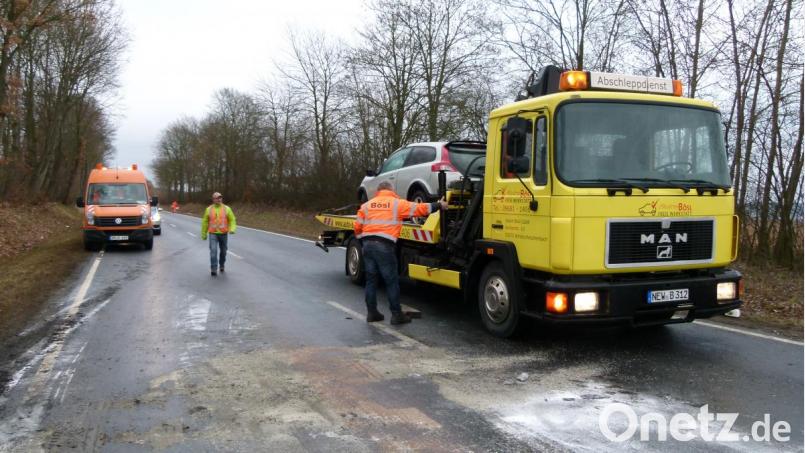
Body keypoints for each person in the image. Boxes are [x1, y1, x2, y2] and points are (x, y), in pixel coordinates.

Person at [354, 181, 447, 325]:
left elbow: (357, 227)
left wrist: (362, 241)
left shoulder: (366, 205)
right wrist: (439, 205)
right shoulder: (396, 203)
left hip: (367, 244)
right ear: (390, 189)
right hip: (384, 245)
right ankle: (396, 314)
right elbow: (420, 209)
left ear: (378, 191)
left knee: (371, 280)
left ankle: (372, 313)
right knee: (391, 281)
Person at [201, 192, 237, 276]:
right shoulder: (209, 209)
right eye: (217, 198)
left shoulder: (227, 209)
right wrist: (204, 234)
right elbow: (205, 222)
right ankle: (213, 268)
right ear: (213, 199)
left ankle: (222, 265)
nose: (219, 199)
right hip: (213, 233)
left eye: (220, 197)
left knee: (223, 252)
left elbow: (232, 219)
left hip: (224, 234)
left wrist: (232, 229)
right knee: (213, 251)